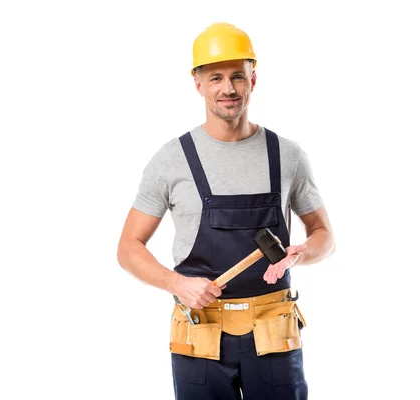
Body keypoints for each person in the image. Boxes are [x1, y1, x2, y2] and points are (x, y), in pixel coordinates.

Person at [117, 22, 335, 400]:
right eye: (215, 77)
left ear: (254, 79)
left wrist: (302, 254)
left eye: (238, 76)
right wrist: (177, 284)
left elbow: (324, 236)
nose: (228, 88)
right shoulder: (170, 160)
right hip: (200, 329)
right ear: (197, 83)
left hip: (272, 328)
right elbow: (128, 247)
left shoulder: (288, 155)